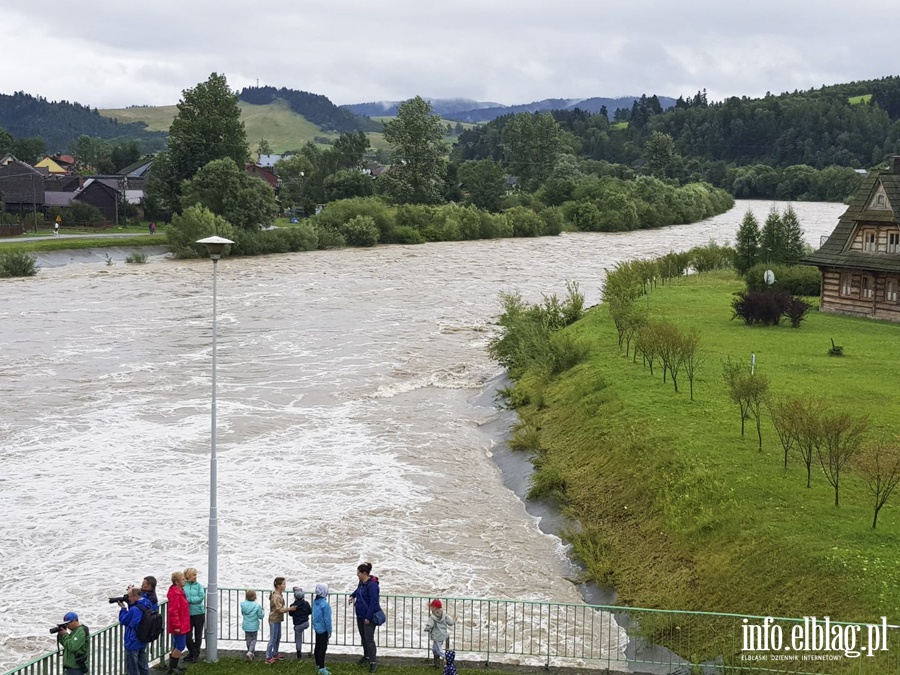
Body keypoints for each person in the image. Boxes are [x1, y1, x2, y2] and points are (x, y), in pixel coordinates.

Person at [349, 562, 382, 673]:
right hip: (360, 615)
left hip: (369, 617)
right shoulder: (362, 582)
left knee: (369, 639)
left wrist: (368, 617)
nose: (357, 575)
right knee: (363, 637)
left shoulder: (373, 585)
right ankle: (366, 657)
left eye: (358, 573)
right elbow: (358, 590)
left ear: (364, 573)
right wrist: (352, 595)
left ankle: (373, 663)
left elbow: (373, 602)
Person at [118, 587, 151, 675]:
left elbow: (124, 620)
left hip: (133, 641)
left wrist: (123, 609)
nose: (128, 599)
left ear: (136, 596)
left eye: (129, 596)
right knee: (143, 666)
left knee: (132, 669)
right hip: (143, 639)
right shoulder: (146, 603)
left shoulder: (134, 610)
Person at [166, 571, 191, 674]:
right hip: (179, 624)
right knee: (180, 645)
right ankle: (173, 667)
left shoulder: (179, 591)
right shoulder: (176, 594)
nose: (185, 580)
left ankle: (173, 665)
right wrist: (177, 625)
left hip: (182, 622)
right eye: (182, 579)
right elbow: (174, 611)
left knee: (176, 644)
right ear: (176, 582)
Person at [183, 567, 206, 663]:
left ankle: (196, 653)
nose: (195, 577)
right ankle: (192, 651)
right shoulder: (184, 586)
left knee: (198, 634)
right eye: (193, 575)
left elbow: (201, 597)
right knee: (187, 635)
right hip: (187, 613)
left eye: (196, 575)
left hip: (199, 613)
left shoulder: (199, 586)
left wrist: (189, 600)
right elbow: (182, 597)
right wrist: (190, 599)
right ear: (188, 576)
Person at [424, 599, 455, 668]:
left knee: (439, 650)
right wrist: (454, 620)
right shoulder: (444, 615)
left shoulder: (432, 617)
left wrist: (426, 629)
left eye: (431, 606)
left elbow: (430, 625)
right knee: (434, 650)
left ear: (434, 608)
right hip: (442, 635)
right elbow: (450, 623)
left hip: (436, 636)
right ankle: (436, 664)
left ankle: (448, 660)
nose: (430, 608)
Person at [56, 611, 89, 675]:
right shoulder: (74, 631)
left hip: (76, 667)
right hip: (71, 667)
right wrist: (61, 635)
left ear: (74, 621)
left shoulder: (80, 631)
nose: (67, 626)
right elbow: (66, 644)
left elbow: (72, 647)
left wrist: (65, 634)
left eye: (68, 623)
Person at [266, 576, 290, 664]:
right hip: (274, 619)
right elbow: (279, 609)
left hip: (277, 619)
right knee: (273, 638)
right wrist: (289, 609)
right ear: (279, 586)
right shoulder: (276, 596)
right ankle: (268, 657)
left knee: (278, 637)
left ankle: (275, 653)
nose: (285, 585)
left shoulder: (278, 594)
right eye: (283, 584)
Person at [312, 583, 332, 675]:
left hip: (317, 628)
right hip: (323, 629)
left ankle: (318, 664)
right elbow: (327, 619)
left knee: (317, 646)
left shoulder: (315, 602)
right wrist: (329, 631)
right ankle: (322, 667)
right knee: (322, 649)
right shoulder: (325, 604)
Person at [241, 589, 266, 661]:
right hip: (254, 626)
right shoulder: (257, 605)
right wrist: (263, 611)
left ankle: (250, 652)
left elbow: (243, 613)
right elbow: (260, 616)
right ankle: (250, 652)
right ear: (255, 597)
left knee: (248, 639)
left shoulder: (243, 604)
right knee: (254, 639)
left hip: (246, 625)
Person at [290, 586, 313, 660]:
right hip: (306, 623)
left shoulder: (293, 606)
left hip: (298, 625)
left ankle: (299, 654)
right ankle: (311, 648)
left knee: (298, 639)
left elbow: (291, 614)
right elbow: (310, 612)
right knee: (301, 632)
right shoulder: (306, 603)